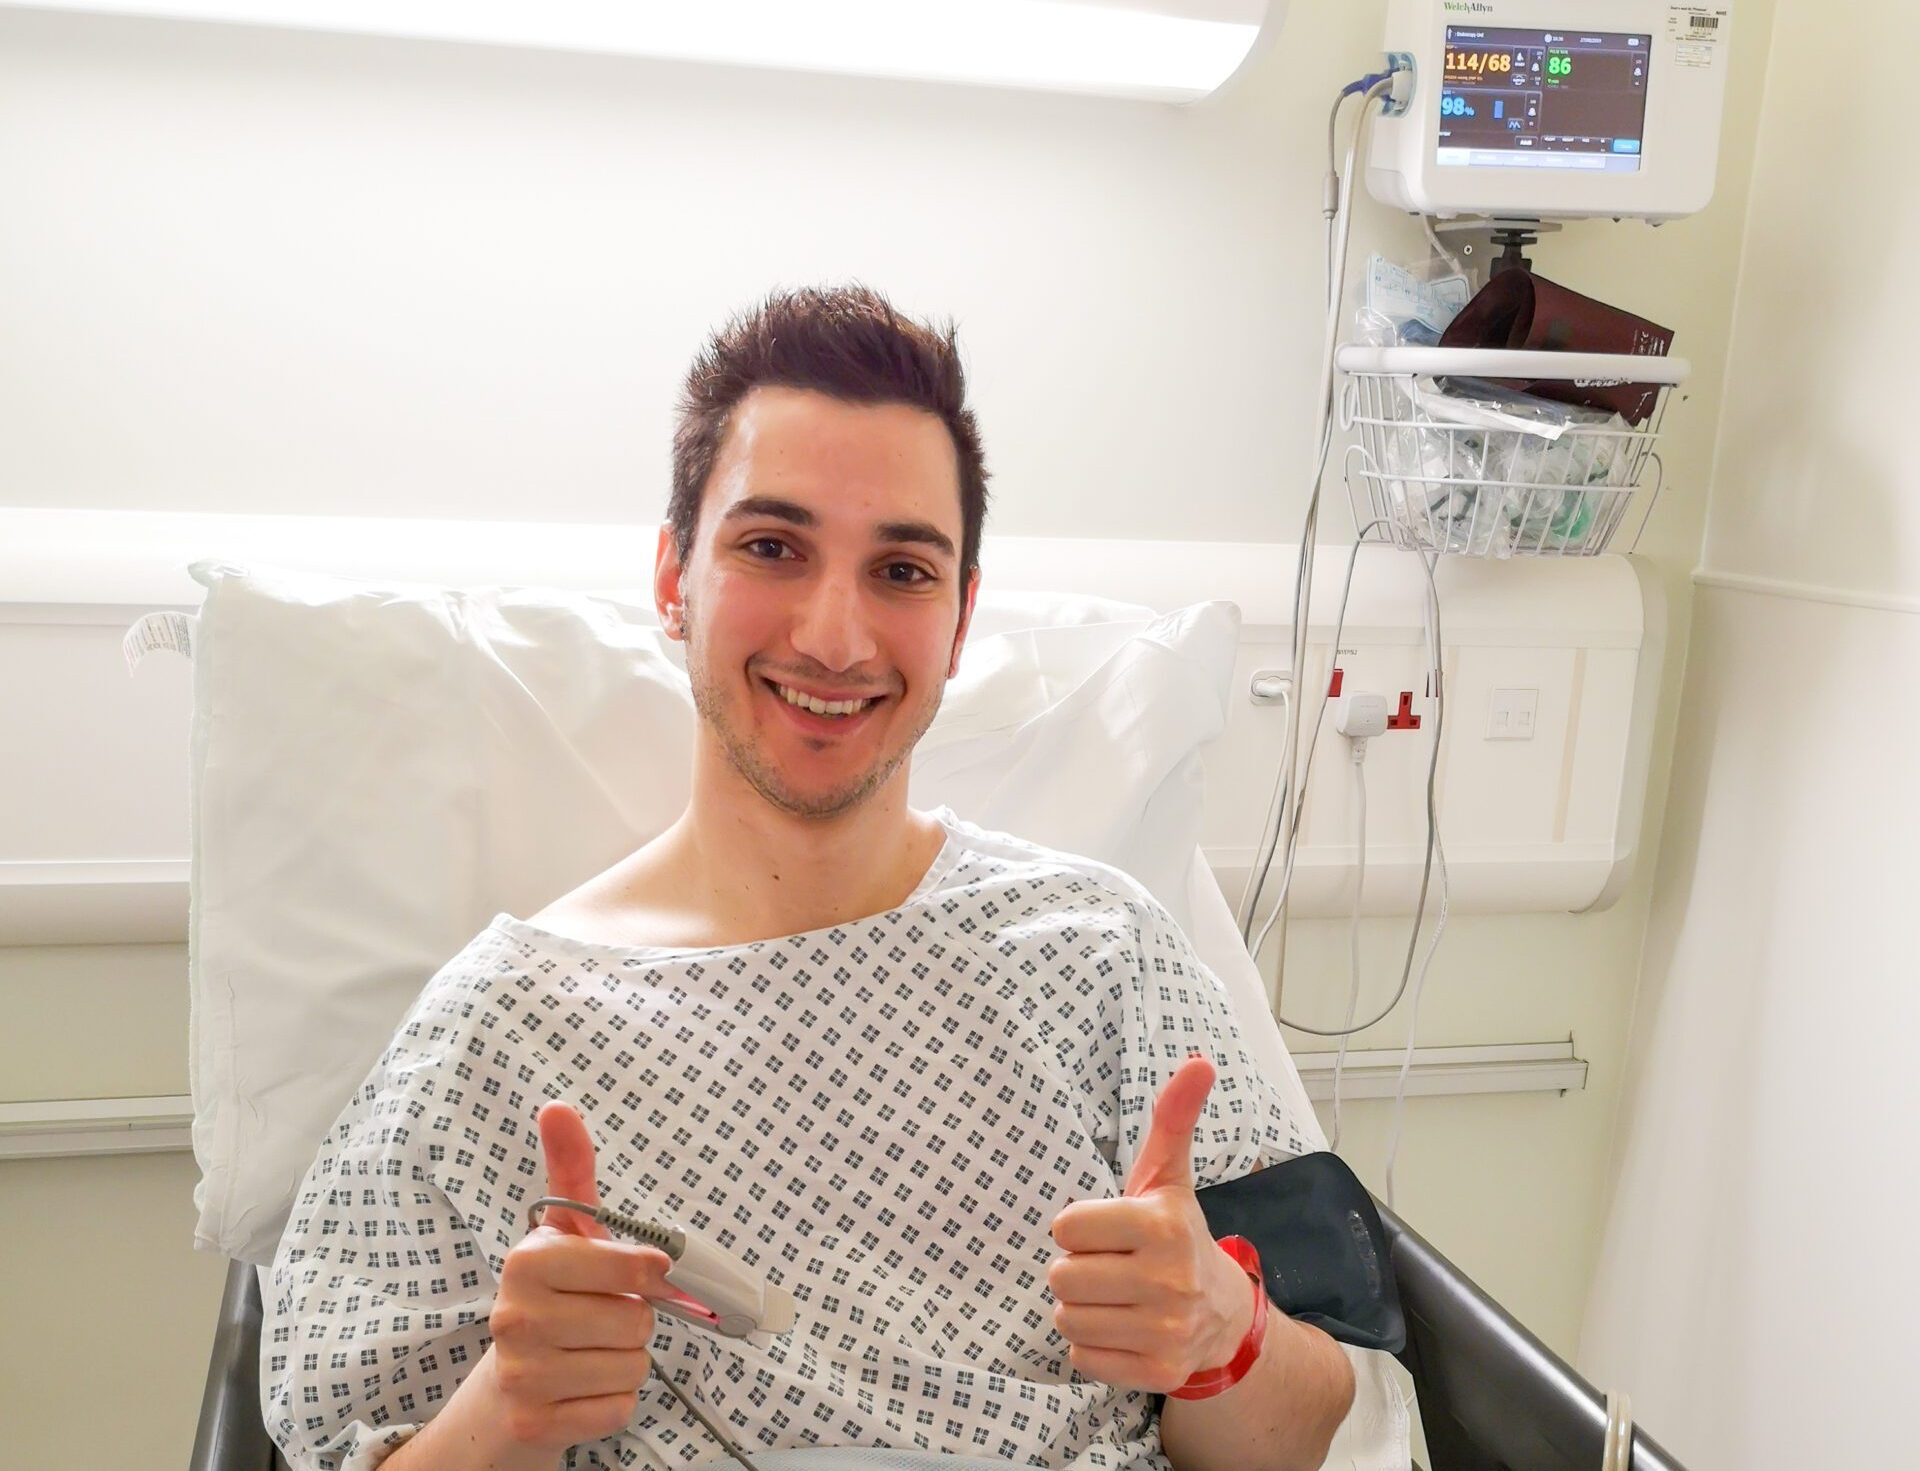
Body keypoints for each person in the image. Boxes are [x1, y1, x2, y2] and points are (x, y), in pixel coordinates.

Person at [262, 284, 1403, 1471]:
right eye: (772, 547)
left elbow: (1304, 1428)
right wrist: (507, 1410)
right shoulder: (500, 1032)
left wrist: (1219, 1335)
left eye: (902, 572)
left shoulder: (1099, 951)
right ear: (672, 579)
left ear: (960, 623)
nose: (836, 638)